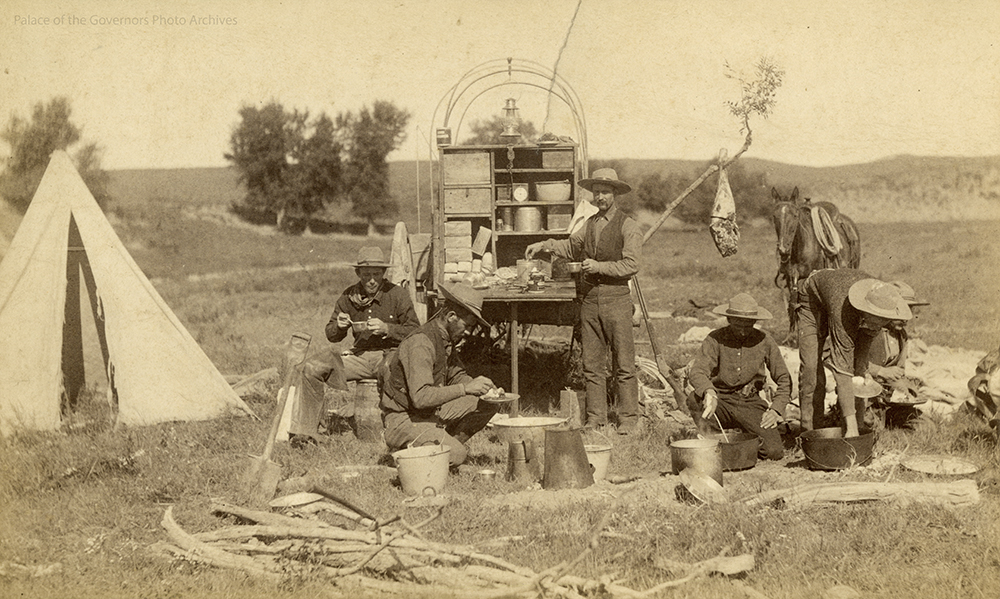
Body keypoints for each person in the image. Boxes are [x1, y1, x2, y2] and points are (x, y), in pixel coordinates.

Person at [525, 168, 641, 434]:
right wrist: (544, 244)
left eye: (605, 192)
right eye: (596, 192)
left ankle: (629, 420)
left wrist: (598, 266)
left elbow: (631, 265)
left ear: (615, 194)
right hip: (589, 300)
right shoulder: (588, 224)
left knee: (623, 363)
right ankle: (595, 418)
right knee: (592, 365)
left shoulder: (628, 226)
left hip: (617, 298)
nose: (600, 197)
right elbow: (569, 247)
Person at [289, 246, 420, 446]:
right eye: (366, 275)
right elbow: (331, 335)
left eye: (376, 274)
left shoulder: (397, 294)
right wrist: (339, 327)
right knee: (311, 368)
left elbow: (415, 332)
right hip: (358, 357)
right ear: (358, 273)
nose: (372, 280)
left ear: (383, 273)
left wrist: (387, 329)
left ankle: (395, 434)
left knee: (390, 368)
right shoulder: (348, 296)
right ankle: (307, 434)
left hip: (389, 354)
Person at [380, 283, 499, 466]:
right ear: (451, 316)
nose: (468, 333)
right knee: (458, 455)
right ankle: (411, 451)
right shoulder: (421, 343)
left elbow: (456, 374)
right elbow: (420, 397)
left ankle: (437, 445)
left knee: (488, 405)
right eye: (467, 326)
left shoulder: (446, 340)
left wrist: (484, 388)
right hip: (403, 418)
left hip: (426, 414)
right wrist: (465, 389)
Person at [796, 269, 912, 437]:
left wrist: (863, 372)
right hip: (813, 300)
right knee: (811, 369)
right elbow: (842, 371)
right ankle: (810, 434)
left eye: (880, 324)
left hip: (846, 297)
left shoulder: (880, 306)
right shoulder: (845, 311)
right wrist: (852, 430)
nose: (874, 328)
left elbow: (860, 361)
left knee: (859, 373)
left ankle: (853, 426)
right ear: (866, 312)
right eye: (873, 323)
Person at [687, 293, 792, 460]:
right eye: (738, 326)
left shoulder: (764, 340)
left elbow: (784, 379)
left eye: (748, 325)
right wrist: (709, 392)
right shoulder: (715, 339)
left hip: (749, 403)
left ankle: (745, 434)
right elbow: (698, 371)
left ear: (755, 322)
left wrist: (776, 409)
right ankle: (711, 439)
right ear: (729, 320)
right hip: (720, 400)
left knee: (773, 452)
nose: (743, 332)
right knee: (695, 399)